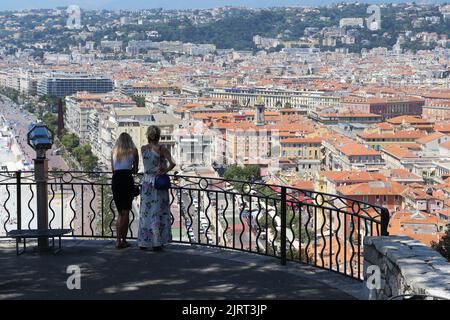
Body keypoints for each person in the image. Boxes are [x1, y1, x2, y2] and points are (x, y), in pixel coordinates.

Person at [138, 125, 176, 251]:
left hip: (146, 183)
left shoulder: (143, 149)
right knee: (158, 213)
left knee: (145, 212)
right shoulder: (162, 149)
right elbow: (173, 163)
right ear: (159, 136)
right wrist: (164, 170)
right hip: (158, 183)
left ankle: (144, 241)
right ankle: (157, 242)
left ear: (148, 136)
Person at [111, 132, 139, 249]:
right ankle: (123, 239)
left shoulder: (114, 152)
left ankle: (118, 240)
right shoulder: (133, 151)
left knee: (120, 213)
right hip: (127, 179)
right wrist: (130, 168)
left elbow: (113, 170)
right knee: (126, 211)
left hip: (116, 180)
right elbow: (136, 170)